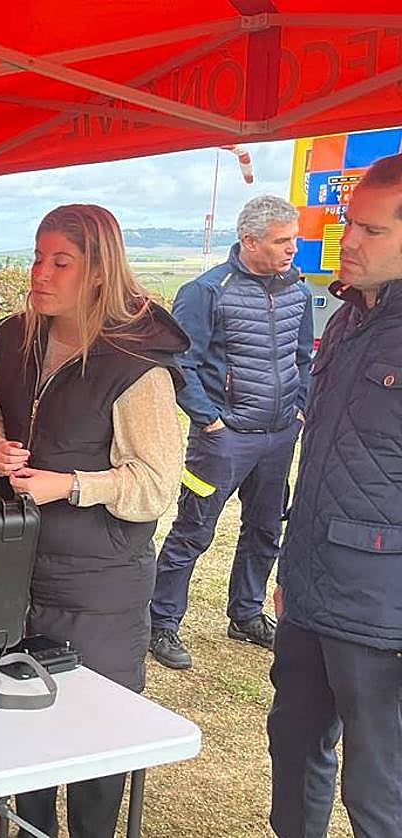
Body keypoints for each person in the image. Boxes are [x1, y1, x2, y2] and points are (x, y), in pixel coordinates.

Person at [0, 204, 185, 838]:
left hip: (100, 586)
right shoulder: (14, 338)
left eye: (59, 262)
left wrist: (70, 485)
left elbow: (155, 488)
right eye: (37, 257)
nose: (40, 273)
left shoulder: (136, 363)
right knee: (23, 737)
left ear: (98, 271)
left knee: (96, 749)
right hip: (16, 575)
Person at [267, 153, 402, 838]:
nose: (347, 240)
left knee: (379, 793)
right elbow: (325, 460)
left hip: (384, 613)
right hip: (314, 591)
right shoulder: (347, 321)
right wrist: (293, 570)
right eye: (350, 222)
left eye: (372, 231)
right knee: (293, 751)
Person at [148, 195, 313, 670]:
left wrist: (298, 410)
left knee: (264, 531)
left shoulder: (296, 290)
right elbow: (179, 361)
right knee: (192, 531)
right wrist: (209, 420)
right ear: (249, 240)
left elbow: (303, 358)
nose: (291, 249)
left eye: (294, 239)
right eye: (282, 241)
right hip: (222, 441)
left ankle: (246, 615)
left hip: (280, 436)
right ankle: (162, 623)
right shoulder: (206, 291)